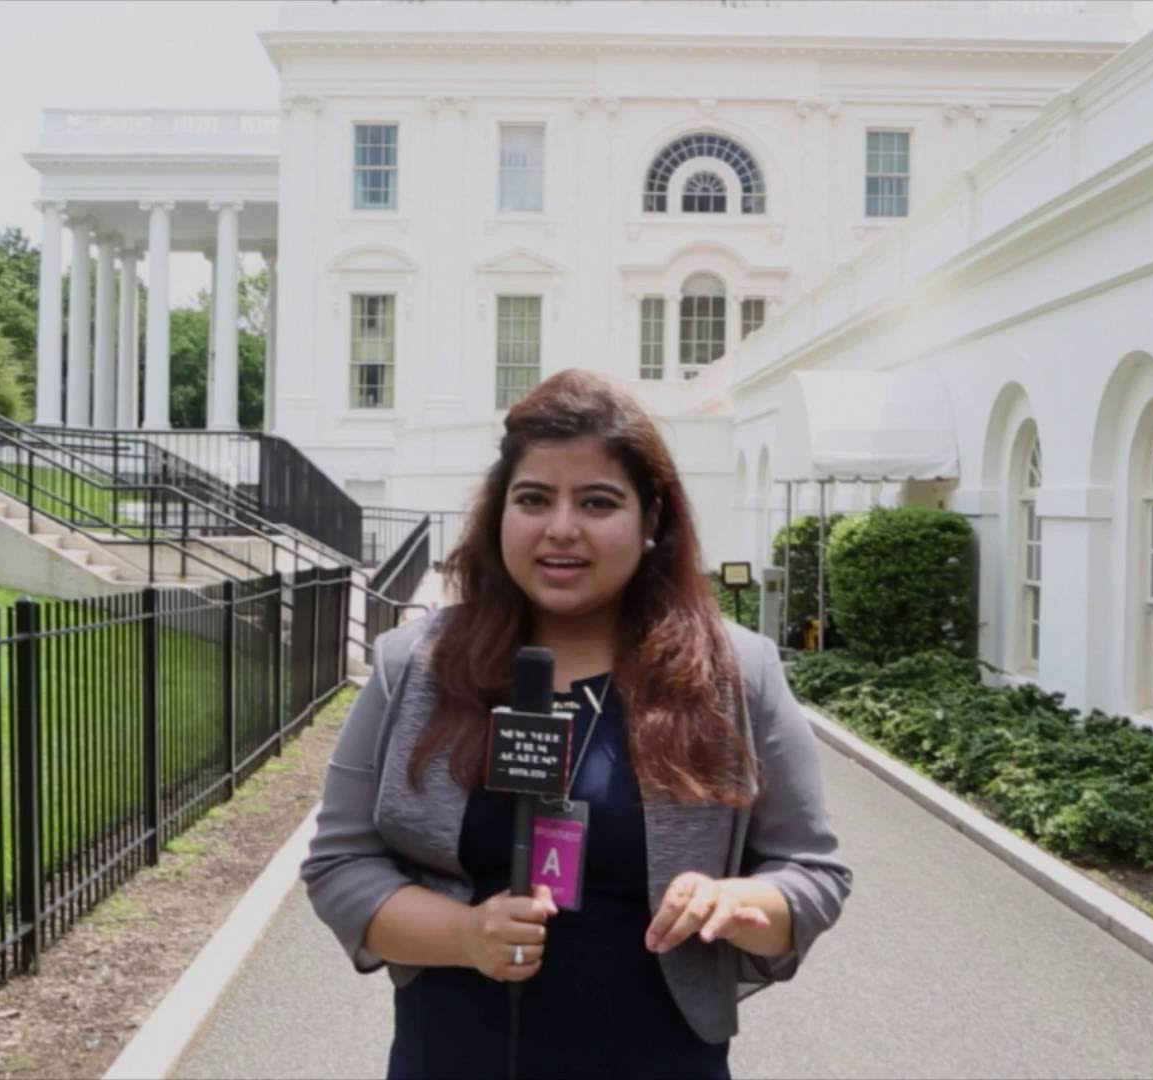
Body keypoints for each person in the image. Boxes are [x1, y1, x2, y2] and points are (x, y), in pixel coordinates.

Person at [303, 370, 853, 1080]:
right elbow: (340, 863)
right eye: (534, 499)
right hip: (453, 1056)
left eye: (598, 502)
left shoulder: (734, 674)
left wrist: (739, 901)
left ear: (652, 519)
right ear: (500, 511)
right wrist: (468, 935)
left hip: (662, 1060)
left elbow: (813, 872)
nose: (561, 528)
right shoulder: (414, 665)